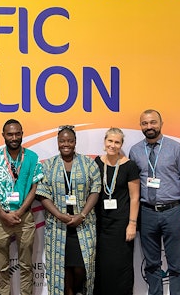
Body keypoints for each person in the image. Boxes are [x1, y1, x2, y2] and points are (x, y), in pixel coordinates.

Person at [128, 109, 180, 295]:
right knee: (151, 265)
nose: (149, 126)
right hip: (147, 213)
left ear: (161, 123)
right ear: (140, 125)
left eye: (153, 122)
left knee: (175, 265)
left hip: (172, 212)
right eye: (145, 123)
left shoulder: (176, 148)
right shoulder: (134, 151)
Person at [37, 126, 102, 295]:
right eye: (62, 141)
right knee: (62, 269)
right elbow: (43, 194)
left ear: (75, 142)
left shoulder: (88, 163)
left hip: (83, 225)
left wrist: (82, 215)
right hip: (58, 227)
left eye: (70, 141)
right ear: (58, 143)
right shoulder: (48, 165)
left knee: (82, 267)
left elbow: (95, 189)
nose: (66, 144)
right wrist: (59, 215)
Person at [0, 119, 44, 295]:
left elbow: (34, 187)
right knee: (2, 266)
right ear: (3, 135)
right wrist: (3, 213)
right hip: (0, 217)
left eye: (17, 133)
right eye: (10, 134)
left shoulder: (32, 157)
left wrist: (20, 211)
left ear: (22, 134)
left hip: (24, 217)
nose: (14, 137)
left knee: (26, 265)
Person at [94, 127, 141, 295]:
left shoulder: (129, 166)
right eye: (110, 141)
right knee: (102, 266)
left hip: (122, 226)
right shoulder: (97, 163)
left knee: (121, 267)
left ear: (121, 144)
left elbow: (135, 198)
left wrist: (132, 224)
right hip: (101, 225)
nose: (112, 145)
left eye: (117, 142)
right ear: (104, 142)